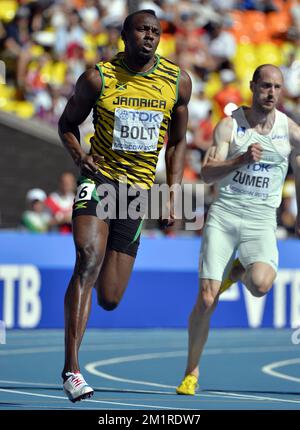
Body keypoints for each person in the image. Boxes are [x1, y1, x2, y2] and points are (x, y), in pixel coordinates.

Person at [58, 9, 191, 402]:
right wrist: (80, 156)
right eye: (141, 29)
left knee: (111, 298)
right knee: (87, 259)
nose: (148, 36)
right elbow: (67, 124)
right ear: (124, 35)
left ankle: (86, 290)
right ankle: (72, 369)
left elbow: (179, 141)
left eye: (155, 31)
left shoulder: (178, 82)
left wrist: (174, 190)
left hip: (135, 195)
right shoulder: (98, 77)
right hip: (99, 182)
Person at [176, 64, 300, 395]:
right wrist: (240, 160)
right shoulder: (230, 126)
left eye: (277, 87)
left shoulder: (289, 131)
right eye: (265, 86)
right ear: (252, 86)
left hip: (261, 220)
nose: (271, 93)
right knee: (206, 299)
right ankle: (191, 372)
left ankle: (239, 271)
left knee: (260, 285)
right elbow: (206, 172)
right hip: (225, 215)